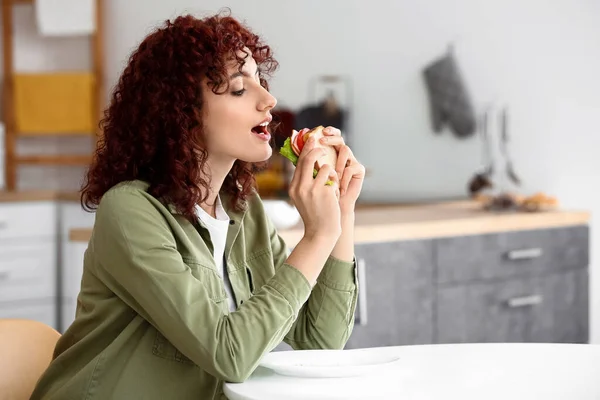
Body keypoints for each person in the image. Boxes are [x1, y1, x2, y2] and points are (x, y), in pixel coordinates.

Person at [30, 10, 365, 400]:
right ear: (183, 113)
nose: (269, 100)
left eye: (261, 81)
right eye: (240, 89)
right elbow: (228, 355)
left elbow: (320, 343)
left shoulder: (244, 208)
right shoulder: (129, 211)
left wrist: (341, 213)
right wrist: (317, 237)